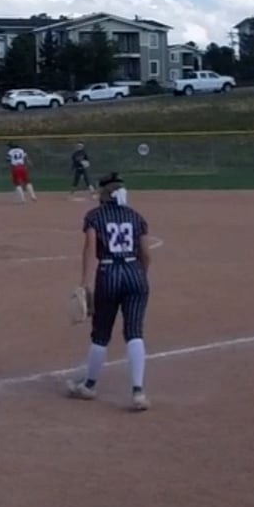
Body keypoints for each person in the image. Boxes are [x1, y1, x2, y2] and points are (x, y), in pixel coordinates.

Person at [67, 172, 151, 411]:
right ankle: (138, 392)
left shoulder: (95, 216)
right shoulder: (136, 216)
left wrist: (84, 283)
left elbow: (90, 249)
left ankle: (89, 385)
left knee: (101, 334)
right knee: (134, 332)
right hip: (135, 273)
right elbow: (145, 253)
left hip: (108, 274)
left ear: (103, 194)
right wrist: (141, 276)